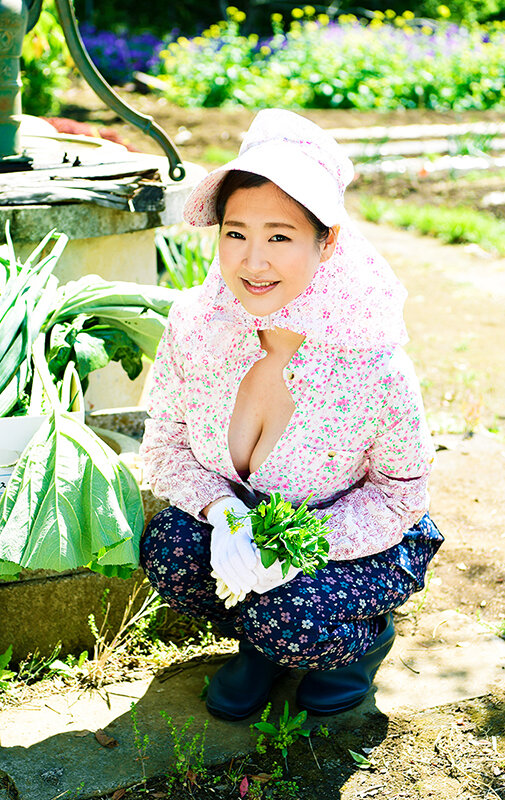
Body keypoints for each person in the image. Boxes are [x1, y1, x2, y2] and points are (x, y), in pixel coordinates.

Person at [139, 109, 443, 721]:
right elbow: (164, 447)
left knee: (297, 616)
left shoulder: (370, 363)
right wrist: (223, 513)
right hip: (246, 529)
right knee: (171, 548)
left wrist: (295, 552)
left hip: (355, 543)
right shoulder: (197, 327)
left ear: (326, 241)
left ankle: (356, 644)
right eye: (235, 233)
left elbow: (399, 498)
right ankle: (260, 644)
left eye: (279, 236)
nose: (253, 262)